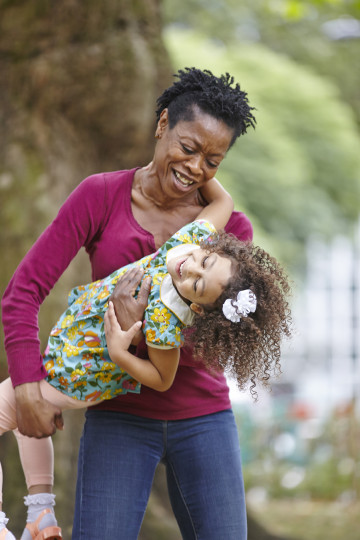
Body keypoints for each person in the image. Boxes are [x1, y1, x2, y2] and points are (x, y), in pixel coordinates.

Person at [1, 67, 263, 539]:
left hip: (203, 418)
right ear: (163, 124)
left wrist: (139, 327)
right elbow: (22, 294)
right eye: (188, 147)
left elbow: (220, 336)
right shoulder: (100, 196)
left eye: (213, 160)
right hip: (118, 416)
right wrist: (27, 386)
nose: (196, 167)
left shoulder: (227, 233)